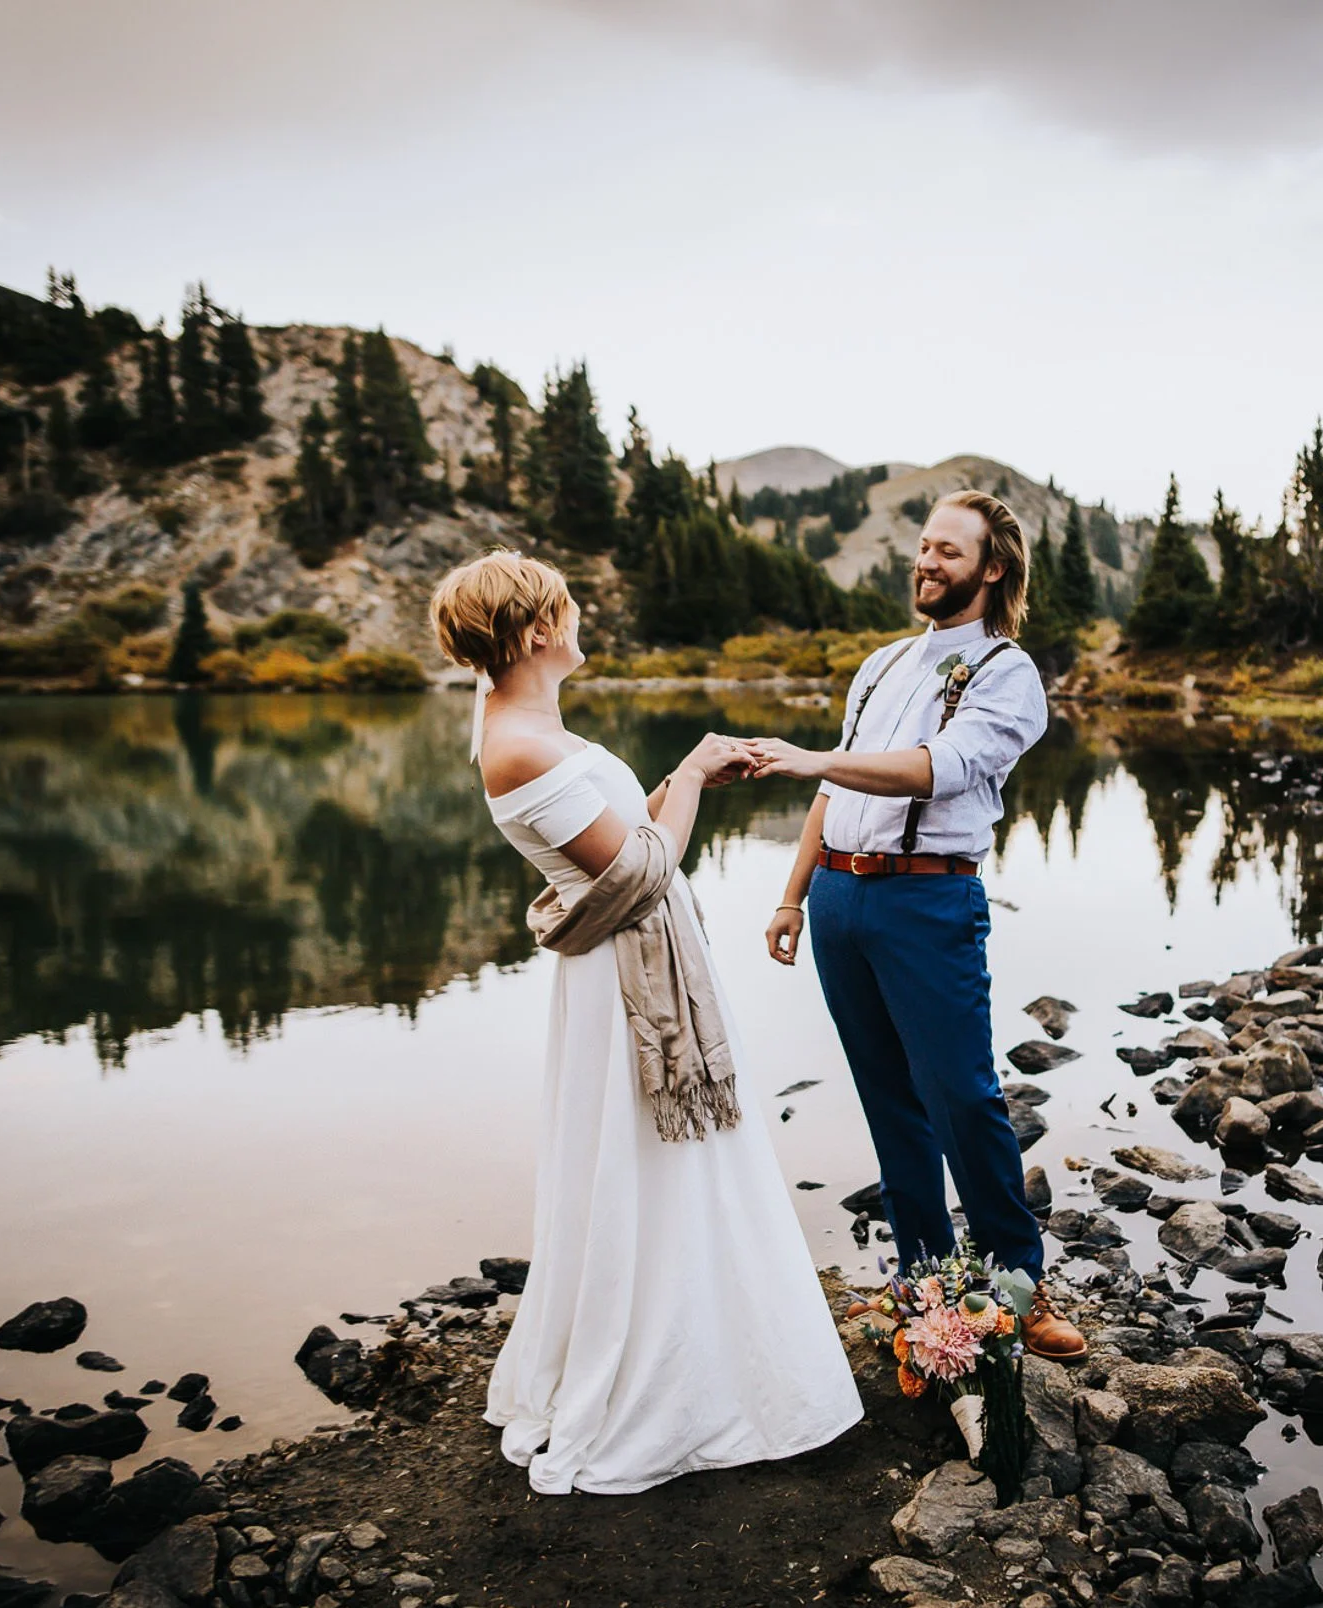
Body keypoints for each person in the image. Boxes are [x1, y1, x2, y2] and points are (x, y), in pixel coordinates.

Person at [435, 549, 861, 1495]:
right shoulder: (513, 740)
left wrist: (687, 773)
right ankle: (667, 1385)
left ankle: (711, 1344)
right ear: (537, 630)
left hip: (639, 968)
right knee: (646, 1166)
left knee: (679, 1165)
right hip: (623, 993)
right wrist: (697, 775)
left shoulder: (532, 723)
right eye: (567, 606)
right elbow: (639, 871)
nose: (581, 615)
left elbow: (629, 845)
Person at [747, 491, 1087, 1361]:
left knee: (962, 1096)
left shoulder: (1007, 672)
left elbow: (937, 769)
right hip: (839, 899)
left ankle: (1020, 1279)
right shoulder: (883, 664)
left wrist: (812, 754)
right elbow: (831, 795)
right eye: (923, 546)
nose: (926, 563)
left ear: (992, 567)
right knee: (887, 1099)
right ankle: (924, 1280)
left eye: (948, 552)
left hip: (928, 903)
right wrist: (793, 895)